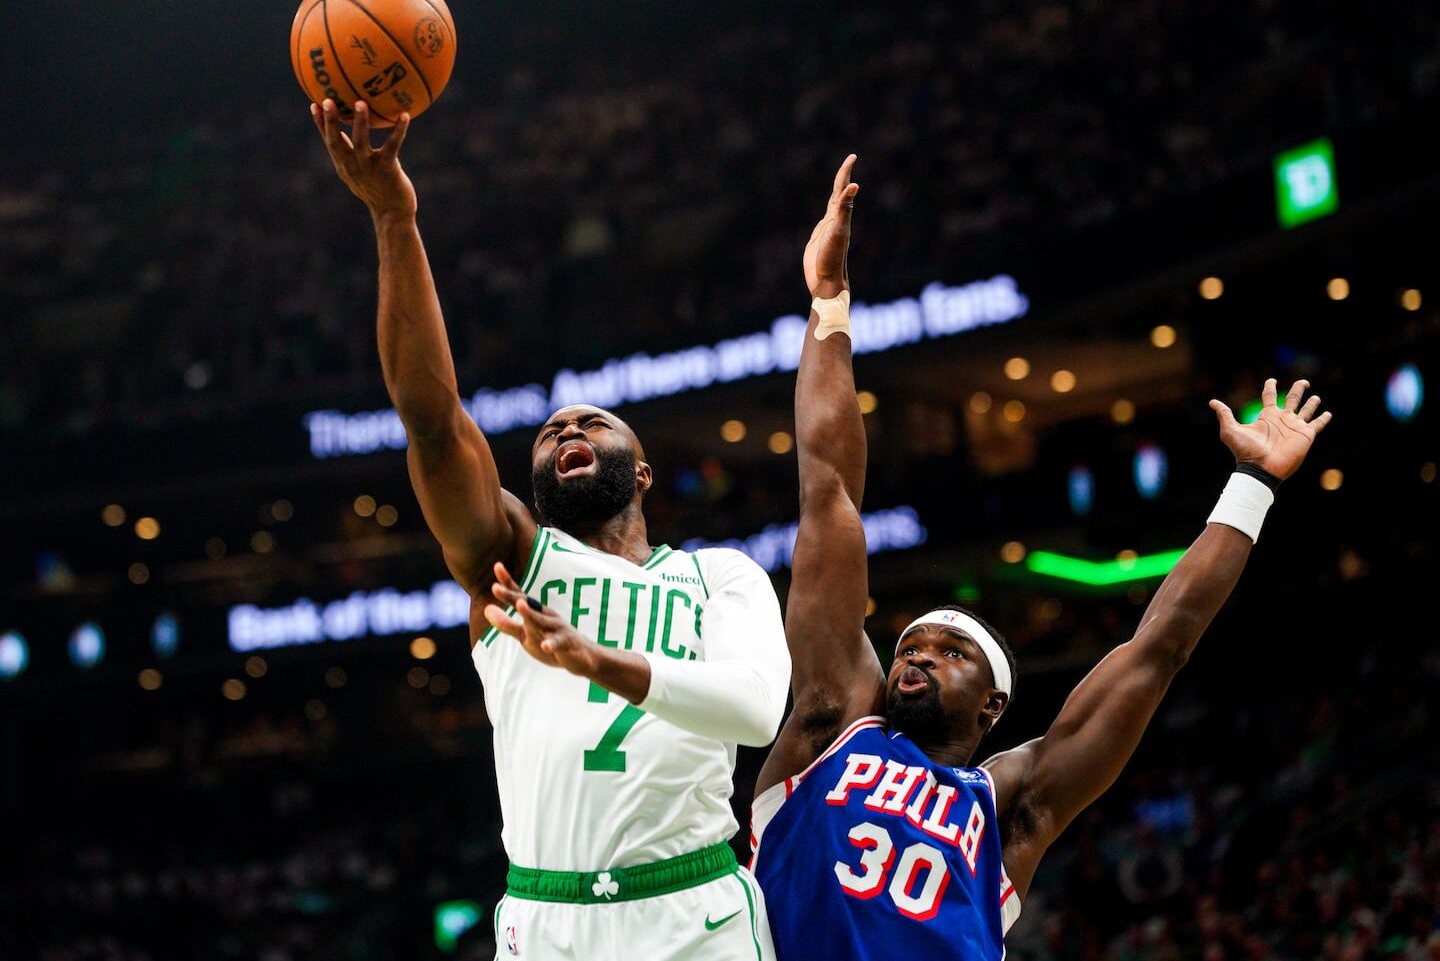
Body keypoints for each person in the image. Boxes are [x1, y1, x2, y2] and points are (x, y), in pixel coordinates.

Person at [748, 155, 1333, 959]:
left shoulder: (1011, 806)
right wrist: (829, 307)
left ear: (991, 707)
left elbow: (1158, 649)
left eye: (951, 653)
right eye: (911, 643)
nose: (916, 654)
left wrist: (1252, 485)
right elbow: (828, 494)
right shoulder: (830, 724)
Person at [311, 98, 789, 961]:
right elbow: (430, 417)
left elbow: (755, 711)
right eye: (549, 432)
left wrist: (596, 660)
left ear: (640, 471)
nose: (569, 431)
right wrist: (394, 217)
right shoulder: (511, 560)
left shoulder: (719, 578)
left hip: (694, 913)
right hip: (547, 922)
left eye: (594, 424)